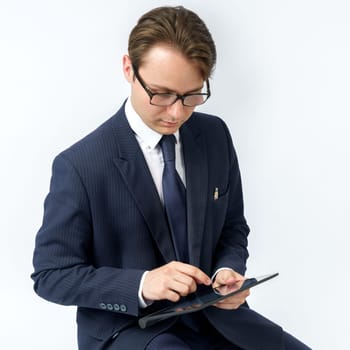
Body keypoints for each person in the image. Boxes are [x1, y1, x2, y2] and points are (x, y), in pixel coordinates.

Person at [31, 6, 311, 350]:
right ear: (128, 69)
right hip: (131, 330)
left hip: (216, 318)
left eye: (192, 95)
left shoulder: (214, 135)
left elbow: (233, 227)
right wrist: (142, 284)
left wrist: (227, 271)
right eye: (161, 94)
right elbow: (51, 276)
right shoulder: (80, 165)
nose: (177, 112)